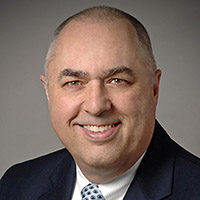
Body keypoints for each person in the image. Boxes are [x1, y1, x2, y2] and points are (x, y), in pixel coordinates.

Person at [0, 6, 200, 200]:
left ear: (154, 89)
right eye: (74, 83)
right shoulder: (16, 185)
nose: (96, 106)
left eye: (117, 80)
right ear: (48, 92)